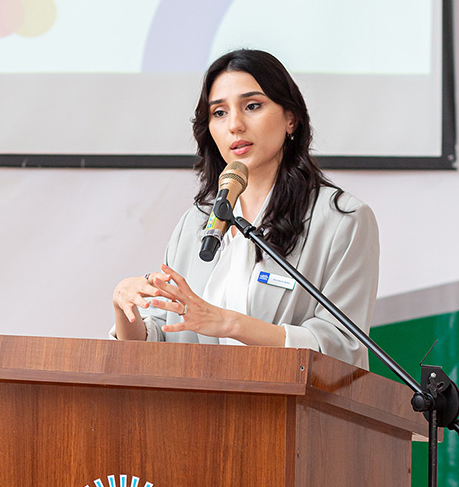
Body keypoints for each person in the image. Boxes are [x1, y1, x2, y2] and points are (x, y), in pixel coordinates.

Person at [111, 49, 379, 369]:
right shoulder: (195, 224)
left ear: (290, 118)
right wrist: (124, 308)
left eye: (252, 106)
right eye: (219, 113)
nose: (235, 125)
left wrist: (230, 324)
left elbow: (343, 348)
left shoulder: (343, 221)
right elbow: (159, 339)